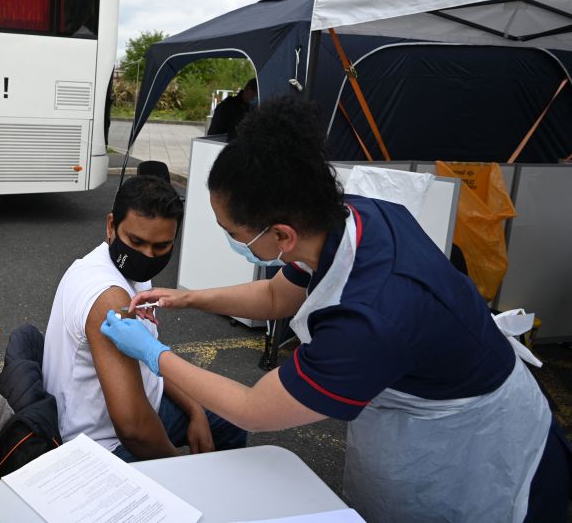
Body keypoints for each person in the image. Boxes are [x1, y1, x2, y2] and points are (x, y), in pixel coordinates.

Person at [100, 96, 570, 521]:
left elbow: (253, 409)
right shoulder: (349, 218)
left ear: (281, 235)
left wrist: (152, 352)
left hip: (471, 447)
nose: (231, 240)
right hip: (430, 392)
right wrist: (189, 297)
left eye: (234, 233)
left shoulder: (368, 320)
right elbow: (277, 297)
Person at [42, 175, 246, 462]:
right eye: (136, 241)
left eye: (161, 247)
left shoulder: (128, 270)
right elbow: (134, 428)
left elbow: (150, 360)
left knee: (230, 415)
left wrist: (195, 408)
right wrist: (189, 472)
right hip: (101, 445)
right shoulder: (109, 298)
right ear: (111, 226)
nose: (147, 256)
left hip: (145, 403)